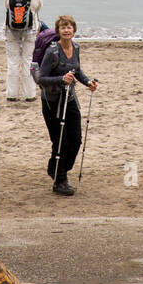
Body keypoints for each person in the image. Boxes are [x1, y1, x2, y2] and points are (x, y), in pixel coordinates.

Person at [36, 15, 97, 196]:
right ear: (58, 31)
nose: (67, 30)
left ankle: (56, 168)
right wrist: (61, 79)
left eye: (69, 27)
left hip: (69, 99)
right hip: (52, 101)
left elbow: (77, 70)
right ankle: (59, 180)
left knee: (76, 140)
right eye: (63, 27)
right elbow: (41, 79)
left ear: (74, 30)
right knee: (60, 140)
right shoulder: (52, 52)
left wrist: (88, 82)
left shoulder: (76, 47)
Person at [3, 0, 42, 102]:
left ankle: (11, 94)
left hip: (11, 29)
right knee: (28, 60)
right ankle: (29, 94)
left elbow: (6, 5)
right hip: (30, 29)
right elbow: (38, 7)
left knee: (13, 61)